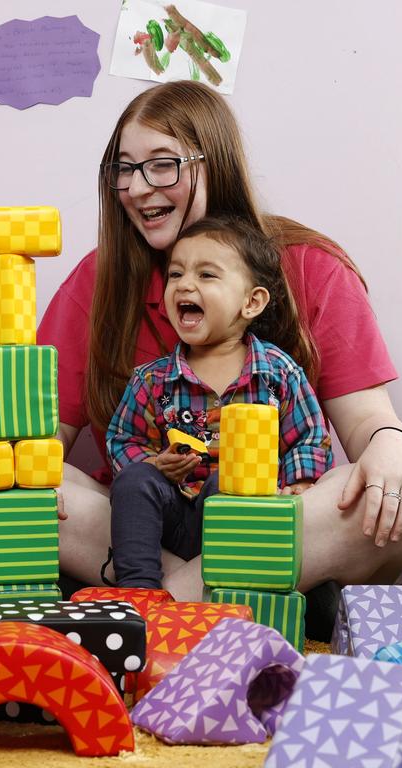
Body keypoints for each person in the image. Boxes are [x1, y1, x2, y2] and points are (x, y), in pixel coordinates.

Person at [38, 80, 402, 620]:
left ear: (214, 163)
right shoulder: (99, 280)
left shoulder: (312, 268)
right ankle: (230, 594)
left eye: (163, 163)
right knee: (7, 484)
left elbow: (364, 424)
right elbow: (42, 439)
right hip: (146, 526)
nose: (139, 187)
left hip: (263, 516)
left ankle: (153, 611)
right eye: (124, 168)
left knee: (381, 495)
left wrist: (390, 448)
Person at [107, 216, 332, 588]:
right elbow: (122, 439)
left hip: (243, 519)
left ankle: (241, 587)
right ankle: (140, 590)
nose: (185, 284)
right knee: (135, 482)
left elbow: (310, 437)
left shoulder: (278, 373)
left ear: (251, 302)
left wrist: (298, 482)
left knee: (230, 482)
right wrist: (154, 464)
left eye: (206, 275)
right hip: (174, 516)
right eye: (176, 274)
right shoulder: (152, 379)